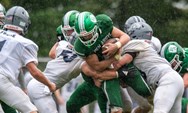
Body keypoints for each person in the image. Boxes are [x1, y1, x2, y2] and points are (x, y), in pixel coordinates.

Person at [67, 11, 131, 113]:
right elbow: (97, 69)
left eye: (88, 34)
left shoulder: (104, 26)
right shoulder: (80, 48)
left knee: (126, 106)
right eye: (83, 37)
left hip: (106, 81)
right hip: (93, 83)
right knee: (71, 104)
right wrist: (116, 60)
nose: (87, 38)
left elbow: (125, 37)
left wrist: (116, 46)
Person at [27, 10, 86, 113]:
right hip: (41, 88)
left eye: (71, 31)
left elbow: (52, 54)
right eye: (66, 31)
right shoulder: (66, 46)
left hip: (40, 86)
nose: (68, 34)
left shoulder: (62, 45)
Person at [0, 6, 56, 113]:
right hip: (2, 82)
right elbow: (35, 72)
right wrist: (49, 84)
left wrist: (23, 87)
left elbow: (19, 69)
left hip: (3, 82)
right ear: (22, 23)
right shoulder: (25, 44)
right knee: (31, 110)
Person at [160, 41, 188, 113]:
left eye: (173, 62)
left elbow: (185, 83)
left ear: (179, 55)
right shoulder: (182, 57)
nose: (172, 66)